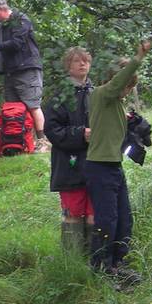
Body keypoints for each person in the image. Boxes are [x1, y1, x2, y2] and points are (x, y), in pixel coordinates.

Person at [84, 39, 151, 286]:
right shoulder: (101, 94)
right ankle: (100, 268)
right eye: (126, 86)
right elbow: (118, 82)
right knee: (106, 221)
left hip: (114, 166)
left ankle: (117, 264)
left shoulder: (117, 104)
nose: (126, 91)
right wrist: (139, 56)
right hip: (99, 168)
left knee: (124, 218)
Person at [44, 47, 93, 254]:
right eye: (76, 61)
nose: (82, 64)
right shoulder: (60, 95)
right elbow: (52, 130)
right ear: (68, 66)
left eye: (85, 61)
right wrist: (81, 134)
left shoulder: (96, 93)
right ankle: (71, 264)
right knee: (73, 212)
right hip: (69, 163)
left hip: (96, 162)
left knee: (95, 212)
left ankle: (96, 263)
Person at [0, 0, 45, 142]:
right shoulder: (2, 27)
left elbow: (16, 44)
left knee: (33, 105)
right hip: (10, 72)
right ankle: (21, 142)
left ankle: (42, 141)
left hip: (27, 69)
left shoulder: (20, 20)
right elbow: (3, 46)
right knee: (13, 107)